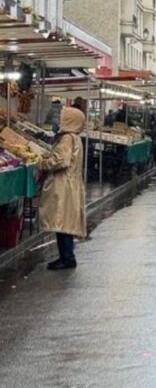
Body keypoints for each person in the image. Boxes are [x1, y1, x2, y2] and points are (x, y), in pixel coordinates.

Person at [38, 106, 87, 270]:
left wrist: (43, 163)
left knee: (62, 221)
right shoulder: (75, 137)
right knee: (65, 221)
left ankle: (67, 258)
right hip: (70, 183)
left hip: (63, 184)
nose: (59, 120)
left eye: (63, 117)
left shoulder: (67, 138)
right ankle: (66, 256)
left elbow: (62, 161)